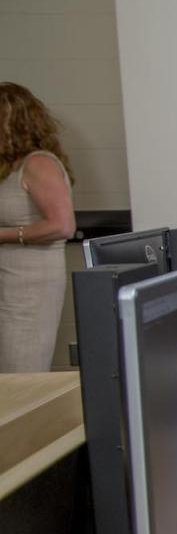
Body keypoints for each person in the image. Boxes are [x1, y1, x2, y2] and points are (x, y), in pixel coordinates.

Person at [0, 82, 77, 373]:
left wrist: (4, 235)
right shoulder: (10, 167)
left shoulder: (39, 163)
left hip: (29, 286)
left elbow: (62, 225)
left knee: (20, 371)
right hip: (8, 281)